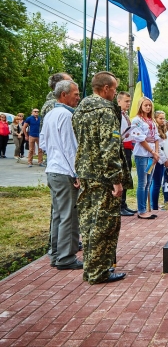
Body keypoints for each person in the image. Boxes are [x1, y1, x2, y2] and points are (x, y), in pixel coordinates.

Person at [72, 71, 132, 284]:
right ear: (106, 88)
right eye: (114, 89)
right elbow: (109, 147)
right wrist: (116, 179)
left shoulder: (81, 109)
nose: (115, 93)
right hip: (103, 176)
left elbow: (81, 141)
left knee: (88, 222)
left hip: (86, 171)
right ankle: (99, 272)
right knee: (104, 223)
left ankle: (90, 269)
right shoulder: (106, 111)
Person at [39, 79, 82, 269]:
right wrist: (76, 172)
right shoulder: (65, 115)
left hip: (53, 169)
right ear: (64, 95)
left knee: (58, 214)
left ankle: (56, 253)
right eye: (75, 94)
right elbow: (70, 147)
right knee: (69, 216)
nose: (78, 97)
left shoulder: (50, 114)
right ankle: (66, 257)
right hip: (65, 171)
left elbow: (43, 143)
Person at [130, 97, 160, 219]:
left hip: (153, 155)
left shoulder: (151, 120)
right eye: (145, 105)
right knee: (142, 183)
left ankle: (146, 208)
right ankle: (141, 210)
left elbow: (157, 137)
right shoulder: (136, 120)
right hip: (142, 154)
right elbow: (140, 138)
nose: (148, 107)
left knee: (148, 183)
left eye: (150, 105)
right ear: (140, 106)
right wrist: (153, 151)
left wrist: (156, 153)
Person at [117, 91, 137, 216]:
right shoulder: (117, 115)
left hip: (128, 147)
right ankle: (120, 205)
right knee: (122, 176)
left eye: (129, 101)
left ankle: (123, 204)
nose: (128, 104)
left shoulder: (125, 115)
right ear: (119, 101)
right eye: (126, 101)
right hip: (122, 147)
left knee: (126, 175)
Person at [150, 110, 168, 210]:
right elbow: (158, 147)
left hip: (161, 158)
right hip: (158, 159)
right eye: (160, 118)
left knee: (156, 183)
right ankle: (154, 206)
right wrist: (165, 159)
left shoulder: (163, 129)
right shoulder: (155, 129)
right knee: (156, 183)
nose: (163, 120)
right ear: (155, 118)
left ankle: (154, 204)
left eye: (164, 118)